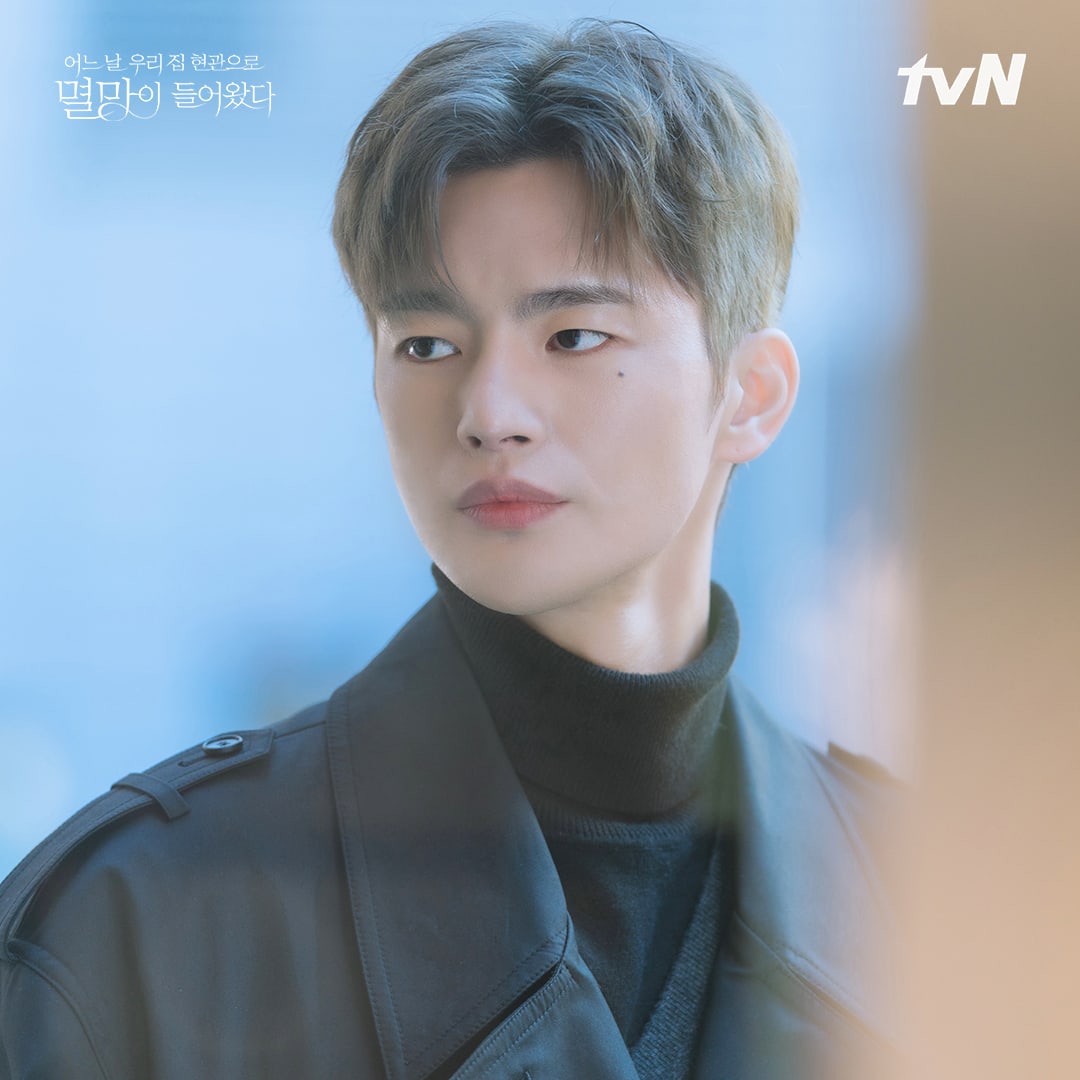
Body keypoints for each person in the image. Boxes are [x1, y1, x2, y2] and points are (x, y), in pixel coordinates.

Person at [0, 19, 899, 1079]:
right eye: (428, 344)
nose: (489, 413)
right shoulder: (132, 923)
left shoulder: (934, 896)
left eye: (573, 337)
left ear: (751, 394)